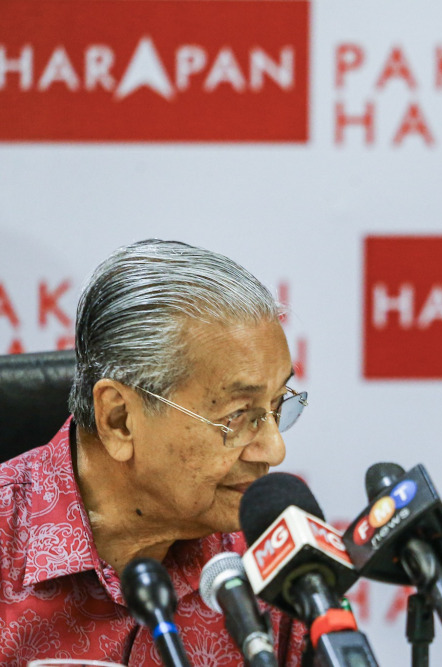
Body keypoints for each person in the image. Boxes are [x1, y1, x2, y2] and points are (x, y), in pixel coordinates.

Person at [0, 240, 310, 664]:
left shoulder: (268, 560)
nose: (274, 449)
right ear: (119, 419)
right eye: (239, 415)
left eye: (277, 406)